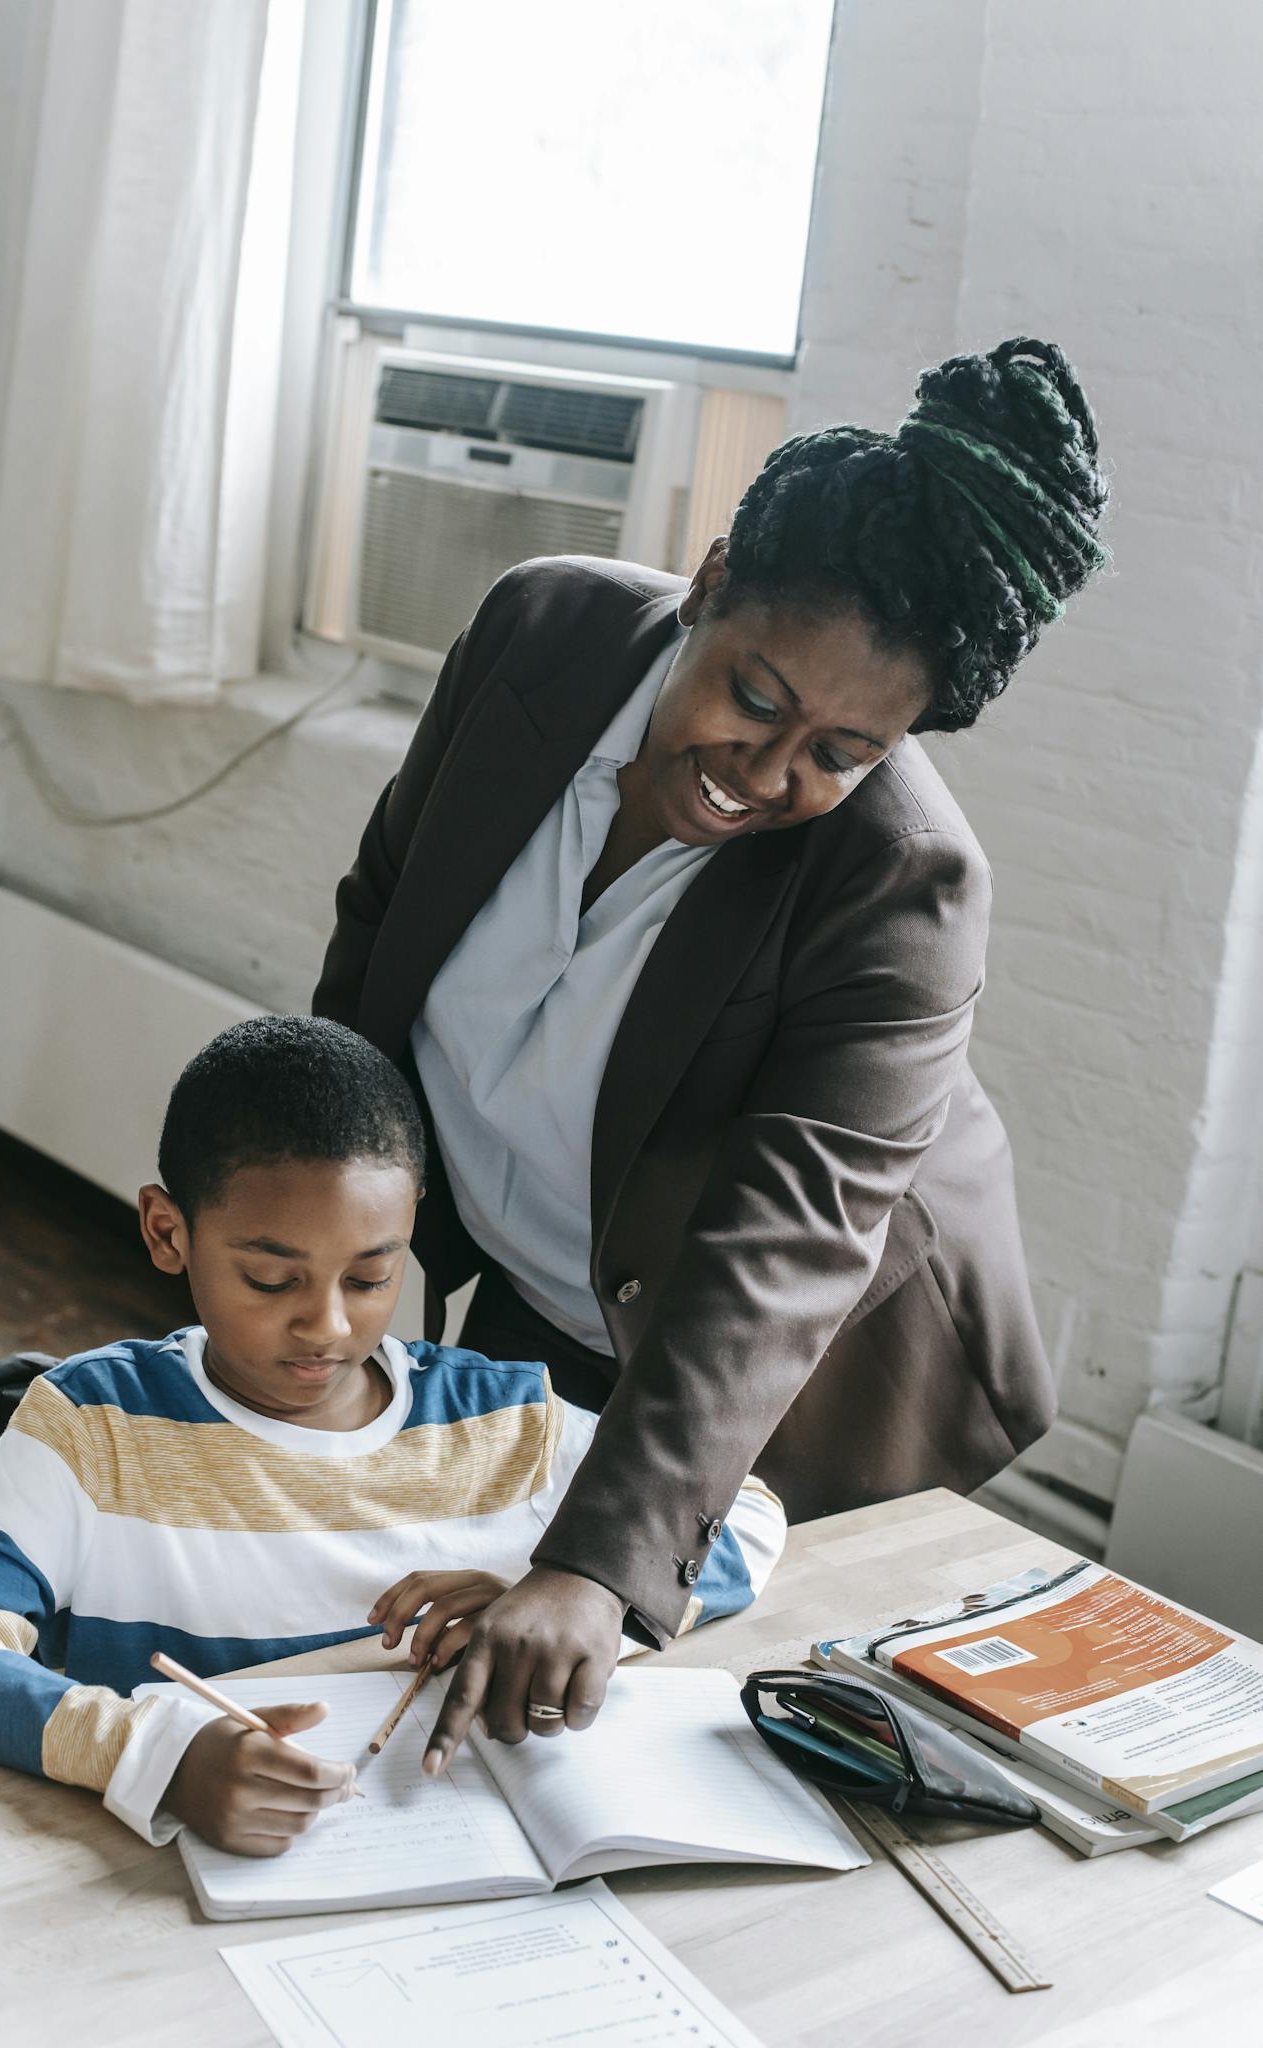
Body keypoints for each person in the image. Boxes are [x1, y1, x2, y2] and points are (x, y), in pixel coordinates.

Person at [313, 336, 1111, 1772]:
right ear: (711, 578)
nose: (767, 772)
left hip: (791, 1395)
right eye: (755, 698)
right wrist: (311, 1246)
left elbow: (783, 1243)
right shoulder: (535, 636)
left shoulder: (902, 880)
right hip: (547, 1285)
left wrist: (603, 1568)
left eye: (841, 752)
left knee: (708, 1779)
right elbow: (381, 931)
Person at [0, 1017, 783, 1853]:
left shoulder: (502, 1419)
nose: (324, 1325)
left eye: (370, 1277)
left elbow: (742, 1513)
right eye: (270, 1279)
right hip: (167, 1882)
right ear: (168, 1232)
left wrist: (563, 1599)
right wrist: (150, 1754)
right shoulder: (95, 1426)